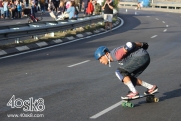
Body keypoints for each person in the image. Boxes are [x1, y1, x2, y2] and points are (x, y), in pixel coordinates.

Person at [94, 42, 158, 99]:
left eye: (100, 58)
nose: (100, 61)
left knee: (119, 72)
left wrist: (141, 44)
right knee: (128, 77)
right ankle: (151, 87)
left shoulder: (116, 55)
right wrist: (142, 44)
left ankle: (134, 92)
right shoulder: (115, 56)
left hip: (140, 57)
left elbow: (130, 45)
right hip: (144, 57)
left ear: (106, 54)